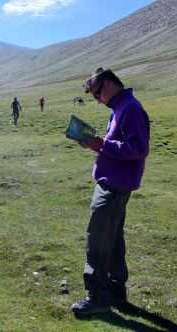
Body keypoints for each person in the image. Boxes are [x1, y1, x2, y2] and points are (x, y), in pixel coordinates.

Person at [70, 68, 150, 317]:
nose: (96, 99)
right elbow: (121, 147)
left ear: (107, 85)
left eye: (96, 94)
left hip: (115, 186)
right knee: (113, 240)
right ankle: (116, 293)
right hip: (114, 182)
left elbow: (138, 149)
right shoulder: (120, 108)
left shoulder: (130, 108)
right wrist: (98, 145)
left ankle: (97, 298)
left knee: (98, 241)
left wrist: (102, 144)